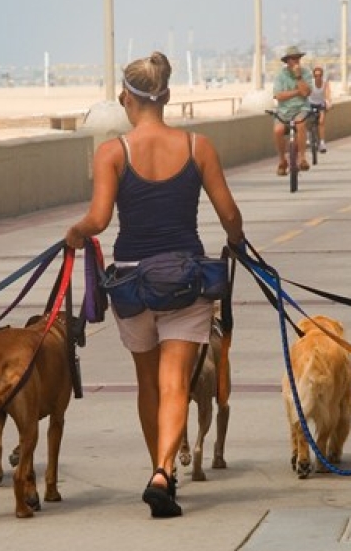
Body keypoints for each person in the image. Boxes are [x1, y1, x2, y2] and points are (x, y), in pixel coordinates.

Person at [64, 51, 244, 519]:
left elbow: (99, 220)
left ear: (127, 97)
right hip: (185, 279)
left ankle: (158, 471)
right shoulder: (198, 147)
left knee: (147, 383)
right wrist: (238, 242)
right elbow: (229, 214)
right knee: (174, 384)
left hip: (131, 284)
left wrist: (75, 233)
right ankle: (165, 471)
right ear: (166, 96)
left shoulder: (112, 153)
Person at [271, 46, 313, 174]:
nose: (296, 61)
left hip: (301, 108)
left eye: (297, 58)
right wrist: (296, 92)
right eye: (293, 59)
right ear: (287, 61)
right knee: (278, 130)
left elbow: (306, 93)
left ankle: (302, 158)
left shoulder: (306, 73)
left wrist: (298, 77)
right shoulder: (280, 76)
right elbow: (278, 96)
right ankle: (282, 160)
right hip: (284, 111)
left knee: (300, 124)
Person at [308, 64, 332, 153]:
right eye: (316, 75)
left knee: (321, 122)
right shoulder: (310, 83)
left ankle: (322, 143)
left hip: (320, 104)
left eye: (320, 75)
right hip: (310, 103)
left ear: (322, 75)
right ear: (314, 76)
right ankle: (308, 136)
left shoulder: (325, 83)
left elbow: (328, 93)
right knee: (308, 120)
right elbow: (306, 92)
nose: (318, 77)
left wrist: (329, 102)